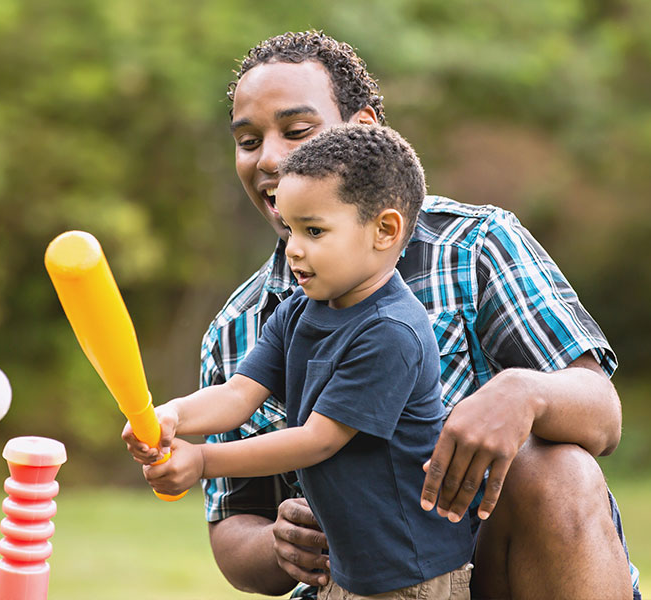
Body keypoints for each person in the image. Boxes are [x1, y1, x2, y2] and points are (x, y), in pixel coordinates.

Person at [130, 31, 640, 600]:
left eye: (297, 131)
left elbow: (602, 417)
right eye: (249, 140)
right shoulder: (243, 323)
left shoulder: (474, 247)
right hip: (355, 581)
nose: (270, 157)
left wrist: (525, 393)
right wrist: (276, 541)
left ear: (364, 129)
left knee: (558, 470)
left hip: (495, 568)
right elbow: (233, 524)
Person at [127, 123, 475, 598]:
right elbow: (237, 394)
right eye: (290, 228)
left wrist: (203, 459)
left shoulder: (391, 331)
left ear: (385, 230)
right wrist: (172, 415)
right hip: (347, 567)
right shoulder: (299, 309)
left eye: (314, 230)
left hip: (411, 571)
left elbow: (318, 440)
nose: (293, 247)